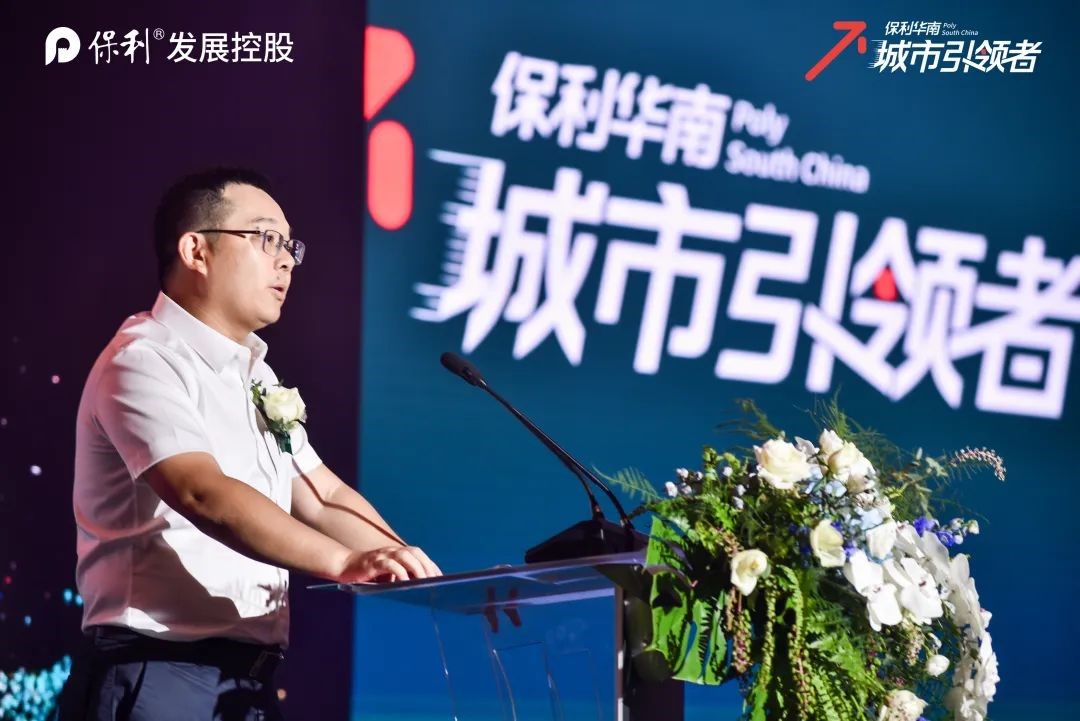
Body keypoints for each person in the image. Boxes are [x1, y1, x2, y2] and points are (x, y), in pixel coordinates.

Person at [57, 168, 440, 721]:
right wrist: (348, 562)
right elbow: (201, 492)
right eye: (266, 239)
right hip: (159, 673)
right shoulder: (143, 359)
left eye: (290, 246)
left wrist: (429, 580)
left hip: (245, 687)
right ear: (196, 250)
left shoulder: (256, 377)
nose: (286, 261)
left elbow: (322, 495)